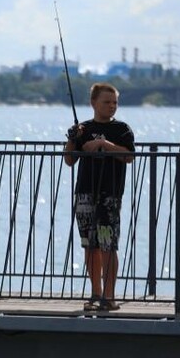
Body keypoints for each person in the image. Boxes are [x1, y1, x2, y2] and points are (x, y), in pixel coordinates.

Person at [63, 82, 135, 312]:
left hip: (109, 195)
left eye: (115, 102)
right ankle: (95, 293)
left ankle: (109, 296)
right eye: (107, 102)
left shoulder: (122, 129)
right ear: (93, 103)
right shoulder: (83, 128)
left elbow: (129, 156)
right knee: (90, 245)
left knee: (108, 244)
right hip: (85, 193)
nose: (112, 106)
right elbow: (69, 159)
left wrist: (104, 144)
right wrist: (73, 139)